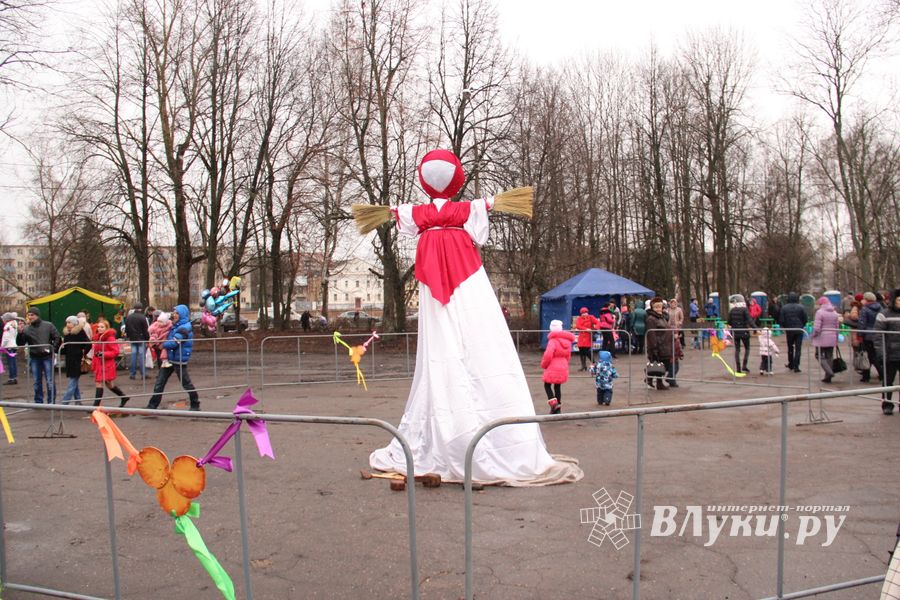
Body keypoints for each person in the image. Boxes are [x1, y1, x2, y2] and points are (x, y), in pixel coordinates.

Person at [368, 149, 582, 484]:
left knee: (444, 349)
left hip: (438, 284)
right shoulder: (466, 210)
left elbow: (402, 216)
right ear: (457, 177)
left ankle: (457, 432)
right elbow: (480, 223)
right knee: (473, 343)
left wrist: (400, 213)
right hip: (465, 273)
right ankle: (491, 438)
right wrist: (488, 204)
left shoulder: (419, 215)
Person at [145, 305, 200, 411]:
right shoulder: (175, 326)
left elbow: (174, 342)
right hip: (169, 358)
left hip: (179, 359)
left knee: (186, 383)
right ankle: (152, 406)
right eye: (174, 312)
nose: (174, 315)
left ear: (182, 314)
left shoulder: (184, 327)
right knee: (159, 383)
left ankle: (195, 404)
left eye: (176, 313)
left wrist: (162, 344)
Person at [16, 307, 60, 404]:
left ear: (37, 315)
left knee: (50, 381)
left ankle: (51, 402)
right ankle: (38, 401)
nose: (30, 317)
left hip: (47, 357)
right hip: (35, 357)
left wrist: (52, 349)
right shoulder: (27, 329)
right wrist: (19, 333)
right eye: (29, 315)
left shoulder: (48, 325)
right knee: (36, 381)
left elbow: (57, 337)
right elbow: (20, 343)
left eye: (32, 315)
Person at [91, 318, 130, 407]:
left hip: (106, 364)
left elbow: (115, 351)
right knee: (108, 384)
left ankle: (95, 406)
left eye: (102, 327)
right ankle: (123, 397)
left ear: (106, 328)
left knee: (101, 382)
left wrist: (103, 354)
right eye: (99, 327)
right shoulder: (98, 338)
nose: (99, 328)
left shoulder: (110, 338)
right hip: (100, 363)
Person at [873, 288, 900, 415]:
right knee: (888, 381)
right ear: (894, 300)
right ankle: (887, 404)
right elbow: (878, 336)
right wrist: (881, 352)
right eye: (899, 300)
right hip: (890, 354)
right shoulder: (884, 314)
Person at [541, 319, 574, 414]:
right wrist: (564, 363)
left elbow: (548, 355)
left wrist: (544, 364)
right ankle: (557, 408)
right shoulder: (567, 341)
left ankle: (553, 402)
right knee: (557, 386)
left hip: (552, 365)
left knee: (547, 385)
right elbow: (568, 355)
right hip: (563, 365)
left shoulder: (552, 341)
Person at [60, 315, 90, 405]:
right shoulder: (67, 334)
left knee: (72, 381)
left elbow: (88, 344)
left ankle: (64, 403)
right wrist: (59, 349)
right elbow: (66, 348)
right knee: (74, 381)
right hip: (69, 360)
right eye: (67, 322)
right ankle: (78, 401)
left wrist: (82, 353)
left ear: (74, 323)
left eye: (69, 322)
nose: (67, 324)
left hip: (77, 360)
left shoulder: (80, 332)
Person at [645, 297, 673, 390]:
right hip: (657, 345)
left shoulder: (663, 317)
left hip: (665, 345)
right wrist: (654, 347)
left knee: (662, 364)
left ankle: (651, 379)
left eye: (659, 307)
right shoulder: (651, 319)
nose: (658, 309)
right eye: (656, 307)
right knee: (657, 364)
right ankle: (657, 382)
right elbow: (651, 334)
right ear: (652, 307)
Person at [811, 297, 840, 383]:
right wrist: (836, 338)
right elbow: (837, 327)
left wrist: (813, 335)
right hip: (832, 337)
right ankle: (828, 377)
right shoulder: (835, 313)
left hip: (821, 337)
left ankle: (829, 372)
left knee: (818, 355)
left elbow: (816, 328)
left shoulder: (819, 313)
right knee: (829, 356)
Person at [859, 291, 883, 383]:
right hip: (878, 333)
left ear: (867, 299)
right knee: (873, 355)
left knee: (869, 356)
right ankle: (868, 375)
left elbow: (862, 323)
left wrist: (860, 334)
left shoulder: (865, 309)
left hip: (867, 335)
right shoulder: (880, 307)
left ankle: (878, 374)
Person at [779, 293, 807, 373]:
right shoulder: (801, 307)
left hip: (789, 330)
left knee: (790, 347)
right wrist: (802, 325)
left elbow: (781, 319)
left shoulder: (784, 308)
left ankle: (791, 363)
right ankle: (796, 366)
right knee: (798, 348)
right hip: (799, 330)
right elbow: (805, 318)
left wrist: (785, 327)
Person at [727, 294, 753, 374]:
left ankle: (738, 368)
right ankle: (744, 366)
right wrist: (756, 328)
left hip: (736, 332)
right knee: (747, 348)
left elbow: (729, 322)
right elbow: (749, 320)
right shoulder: (744, 310)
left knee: (737, 350)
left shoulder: (732, 311)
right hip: (744, 332)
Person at [124, 302, 150, 379]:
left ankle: (132, 374)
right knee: (141, 356)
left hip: (133, 338)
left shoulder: (129, 317)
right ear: (141, 308)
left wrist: (129, 337)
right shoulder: (143, 317)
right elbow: (145, 330)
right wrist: (147, 339)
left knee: (133, 355)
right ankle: (143, 374)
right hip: (141, 338)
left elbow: (126, 329)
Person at [2, 312, 19, 384]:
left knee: (11, 363)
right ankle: (14, 377)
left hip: (9, 346)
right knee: (14, 362)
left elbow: (5, 338)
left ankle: (11, 378)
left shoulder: (7, 326)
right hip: (13, 345)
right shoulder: (14, 325)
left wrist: (2, 346)